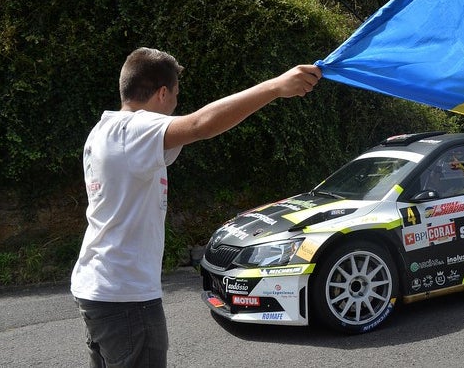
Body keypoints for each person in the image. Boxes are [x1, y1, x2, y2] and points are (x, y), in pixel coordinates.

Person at [70, 48, 321, 367]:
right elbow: (201, 124)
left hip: (96, 289)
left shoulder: (105, 131)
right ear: (162, 93)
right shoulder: (134, 129)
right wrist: (275, 86)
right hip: (125, 299)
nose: (176, 105)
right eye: (175, 96)